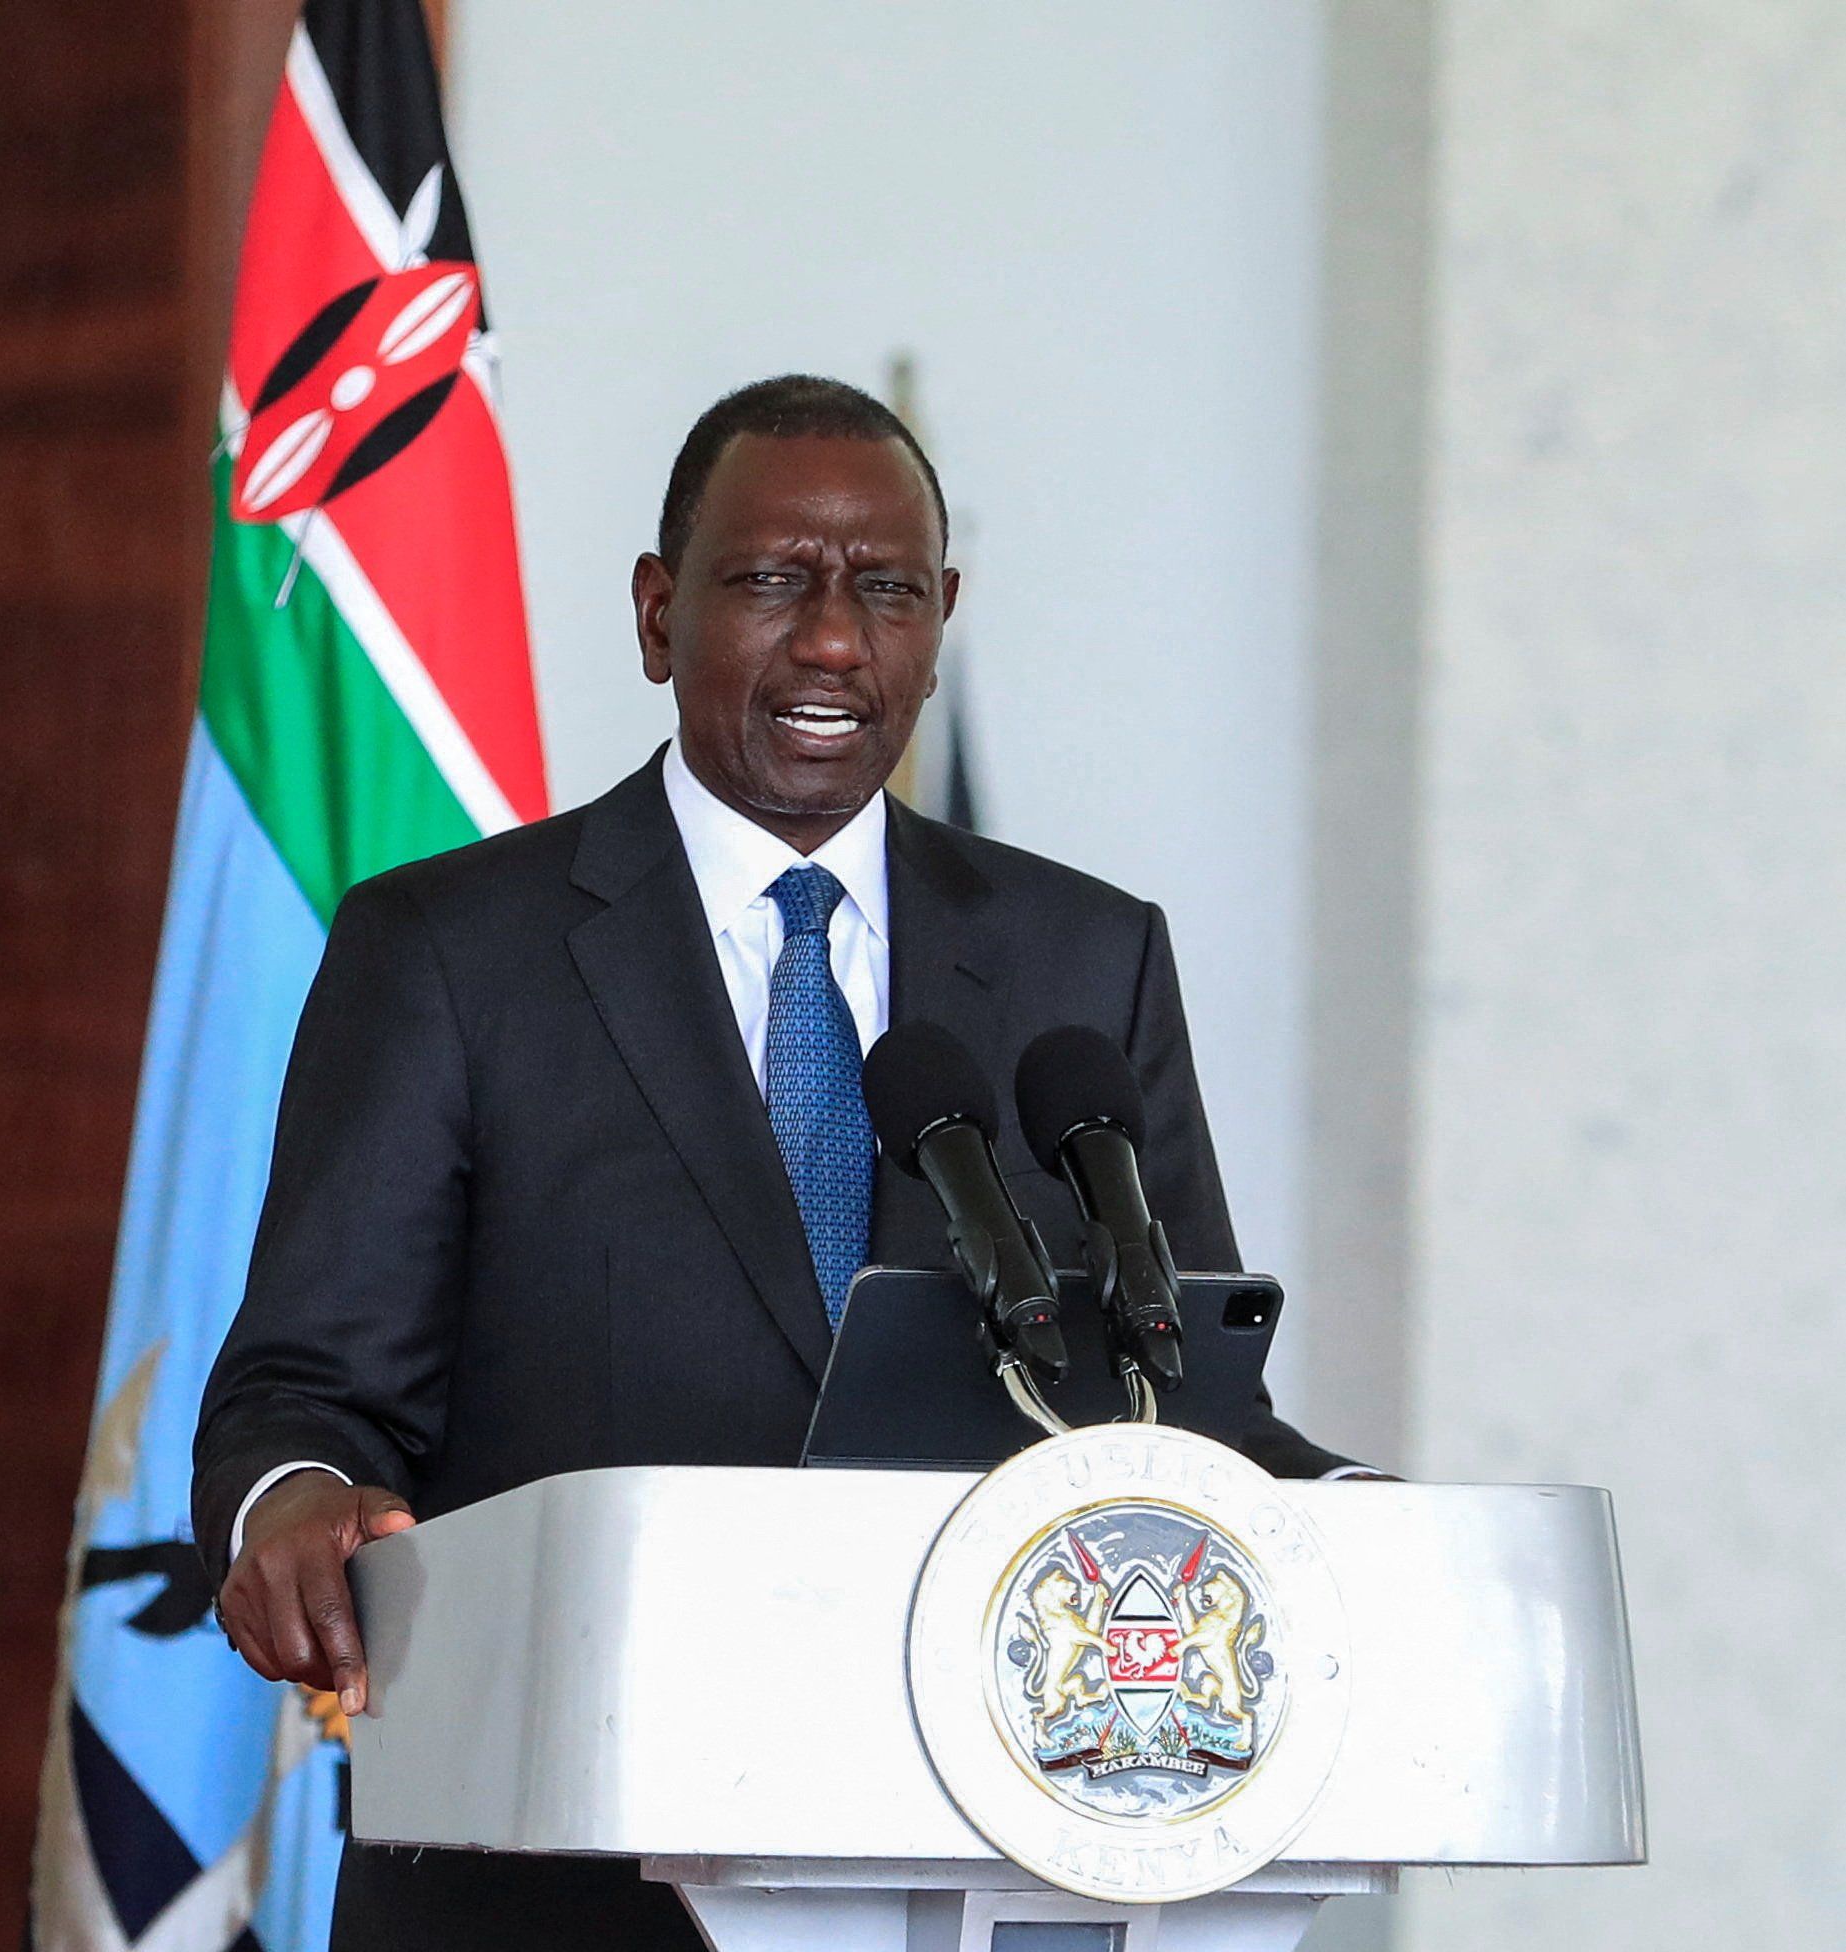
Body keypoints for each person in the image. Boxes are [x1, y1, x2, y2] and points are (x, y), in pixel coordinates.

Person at [191, 374, 1356, 1951]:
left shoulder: (1086, 961)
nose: (830, 640)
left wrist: (1364, 1531)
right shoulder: (454, 952)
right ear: (658, 614)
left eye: (882, 591)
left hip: (982, 1864)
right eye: (768, 582)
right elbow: (304, 1391)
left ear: (937, 624)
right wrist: (293, 1499)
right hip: (557, 1883)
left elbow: (1180, 1394)